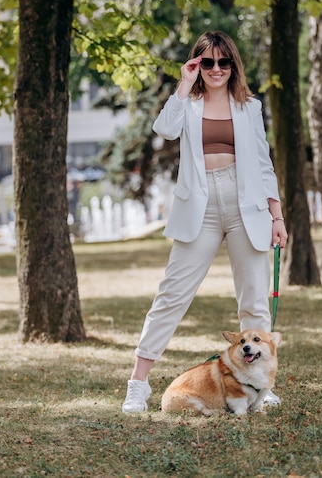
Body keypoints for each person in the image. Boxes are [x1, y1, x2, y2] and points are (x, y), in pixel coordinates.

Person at [122, 31, 288, 413]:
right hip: (200, 206)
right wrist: (183, 83)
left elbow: (264, 165)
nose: (216, 69)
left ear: (233, 65)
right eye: (207, 62)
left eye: (223, 62)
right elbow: (163, 130)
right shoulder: (188, 103)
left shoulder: (250, 107)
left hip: (247, 205)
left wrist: (276, 215)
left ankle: (261, 388)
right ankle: (138, 384)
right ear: (197, 65)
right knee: (171, 295)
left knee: (254, 300)